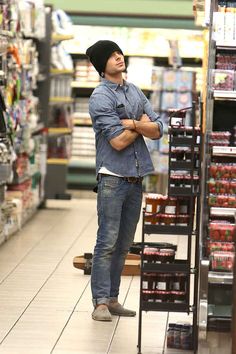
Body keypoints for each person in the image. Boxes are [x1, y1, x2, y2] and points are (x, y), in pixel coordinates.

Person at [86, 40, 163, 321]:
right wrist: (139, 124)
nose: (118, 57)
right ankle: (100, 303)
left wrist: (130, 123)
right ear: (101, 65)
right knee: (106, 241)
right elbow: (117, 142)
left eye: (119, 52)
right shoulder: (100, 97)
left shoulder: (134, 90)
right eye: (111, 55)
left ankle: (114, 298)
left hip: (135, 178)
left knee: (124, 244)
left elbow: (158, 128)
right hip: (112, 179)